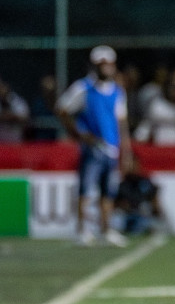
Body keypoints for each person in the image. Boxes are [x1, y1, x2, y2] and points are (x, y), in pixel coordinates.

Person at [54, 46, 133, 247]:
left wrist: (126, 151)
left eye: (108, 63)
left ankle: (106, 229)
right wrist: (77, 134)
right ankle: (82, 230)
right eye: (101, 64)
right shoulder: (83, 88)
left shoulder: (117, 90)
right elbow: (62, 109)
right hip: (93, 147)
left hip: (112, 147)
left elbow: (120, 121)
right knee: (86, 189)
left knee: (108, 191)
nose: (106, 68)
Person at [135, 69, 175, 146]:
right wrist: (141, 138)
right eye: (173, 87)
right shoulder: (157, 106)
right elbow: (145, 129)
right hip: (162, 151)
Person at [0, 75, 30, 143]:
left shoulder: (17, 101)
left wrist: (12, 117)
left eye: (2, 87)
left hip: (15, 142)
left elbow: (25, 118)